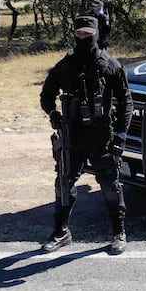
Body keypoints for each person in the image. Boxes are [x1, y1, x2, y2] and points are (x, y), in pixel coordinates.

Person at [39, 16, 133, 255]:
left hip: (102, 135)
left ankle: (118, 232)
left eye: (87, 34)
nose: (83, 38)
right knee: (63, 183)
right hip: (72, 135)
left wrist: (121, 136)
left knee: (110, 184)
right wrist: (53, 115)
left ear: (96, 34)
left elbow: (126, 102)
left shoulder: (110, 64)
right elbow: (46, 95)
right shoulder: (65, 65)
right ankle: (61, 233)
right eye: (79, 34)